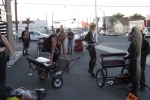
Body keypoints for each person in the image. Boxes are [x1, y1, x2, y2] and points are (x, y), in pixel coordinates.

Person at [120, 26, 142, 96]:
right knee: (134, 77)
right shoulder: (137, 43)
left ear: (132, 36)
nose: (128, 36)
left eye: (129, 35)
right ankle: (133, 90)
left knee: (133, 78)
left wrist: (124, 58)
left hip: (132, 63)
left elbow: (132, 55)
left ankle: (134, 92)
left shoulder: (132, 44)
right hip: (135, 62)